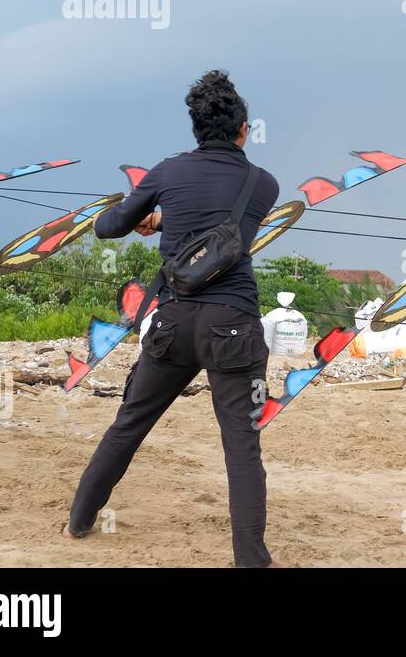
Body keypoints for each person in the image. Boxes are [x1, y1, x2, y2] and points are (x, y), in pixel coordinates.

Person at [64, 71, 281, 566]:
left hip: (174, 322)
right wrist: (169, 218)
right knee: (242, 447)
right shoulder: (264, 185)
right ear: (244, 129)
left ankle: (80, 519)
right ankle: (251, 558)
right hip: (235, 325)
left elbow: (110, 227)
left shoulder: (165, 172)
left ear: (195, 130)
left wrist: (146, 215)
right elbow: (225, 223)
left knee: (129, 424)